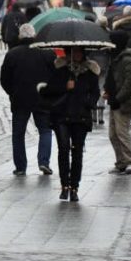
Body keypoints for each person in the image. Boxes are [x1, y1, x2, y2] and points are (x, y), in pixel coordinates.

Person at [41, 47, 100, 202]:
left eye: (79, 51)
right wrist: (64, 87)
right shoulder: (60, 70)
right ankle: (64, 186)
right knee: (63, 149)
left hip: (80, 116)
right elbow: (47, 91)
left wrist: (87, 102)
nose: (77, 55)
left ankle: (75, 187)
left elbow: (95, 93)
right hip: (62, 115)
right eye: (73, 52)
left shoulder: (90, 72)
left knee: (77, 151)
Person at [0, 24, 56, 176]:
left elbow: (4, 79)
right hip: (42, 98)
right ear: (35, 35)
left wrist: (12, 92)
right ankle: (44, 162)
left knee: (18, 134)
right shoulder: (47, 53)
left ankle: (20, 166)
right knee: (45, 130)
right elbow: (55, 76)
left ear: (20, 36)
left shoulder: (12, 54)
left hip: (20, 99)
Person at [104, 31, 131, 176]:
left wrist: (118, 98)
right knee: (113, 134)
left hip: (123, 101)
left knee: (122, 132)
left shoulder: (127, 59)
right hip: (114, 99)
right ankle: (121, 162)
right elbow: (111, 77)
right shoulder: (115, 57)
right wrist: (107, 90)